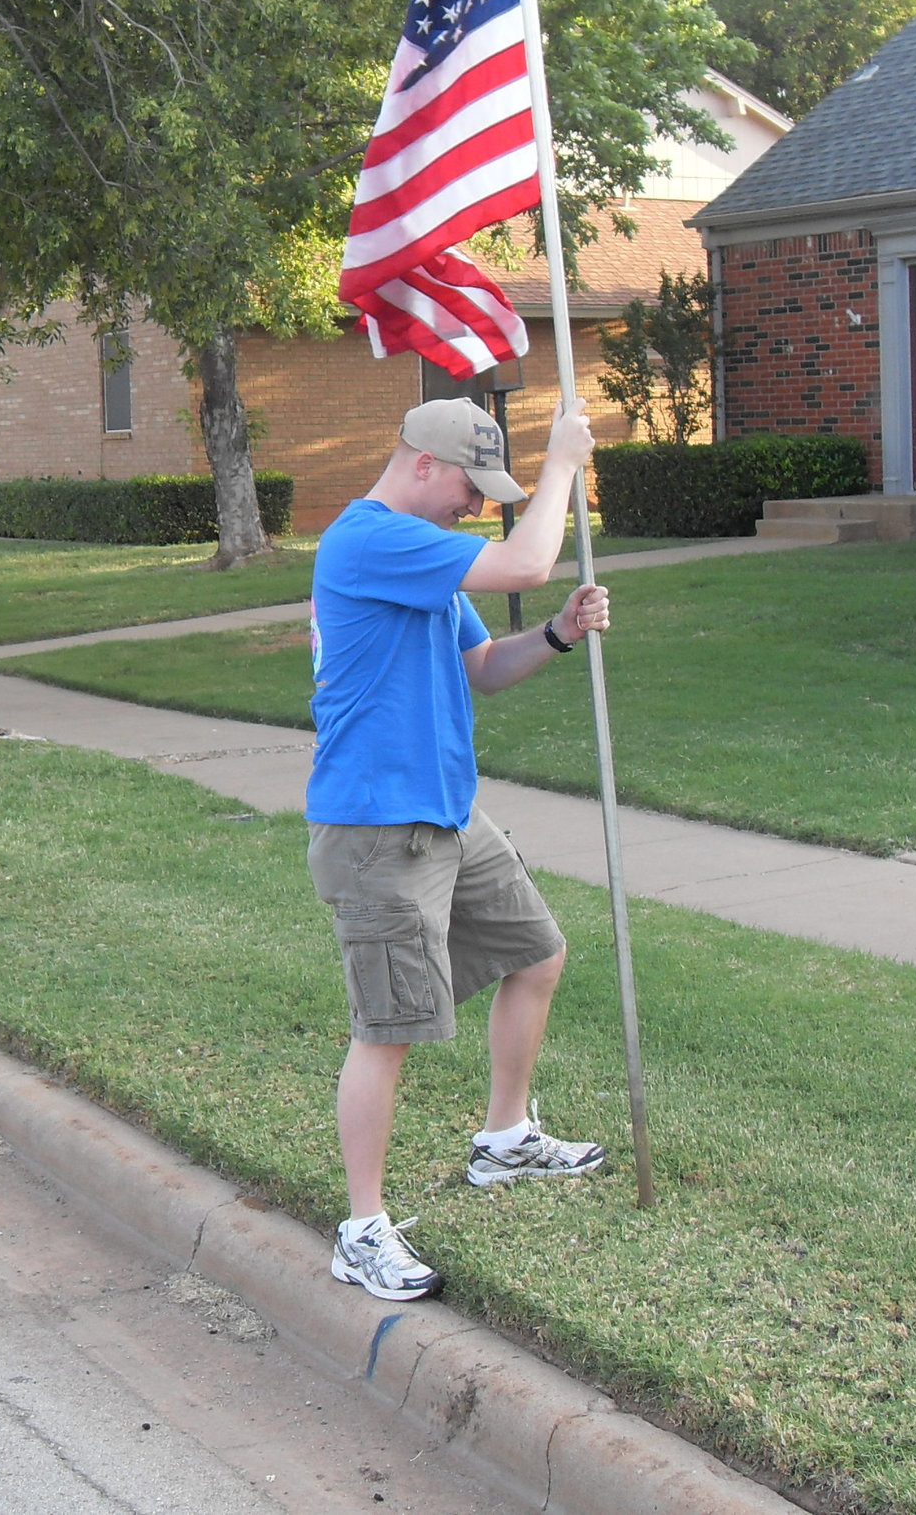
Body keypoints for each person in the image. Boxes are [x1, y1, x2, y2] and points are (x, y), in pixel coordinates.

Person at [308, 394, 613, 1302]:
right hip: (377, 827)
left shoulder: (422, 563)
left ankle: (505, 1138)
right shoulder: (368, 541)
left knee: (536, 952)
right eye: (470, 491)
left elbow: (482, 669)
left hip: (444, 810)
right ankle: (361, 1228)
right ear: (424, 465)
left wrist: (557, 632)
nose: (474, 508)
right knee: (389, 1028)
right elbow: (526, 554)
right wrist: (561, 461)